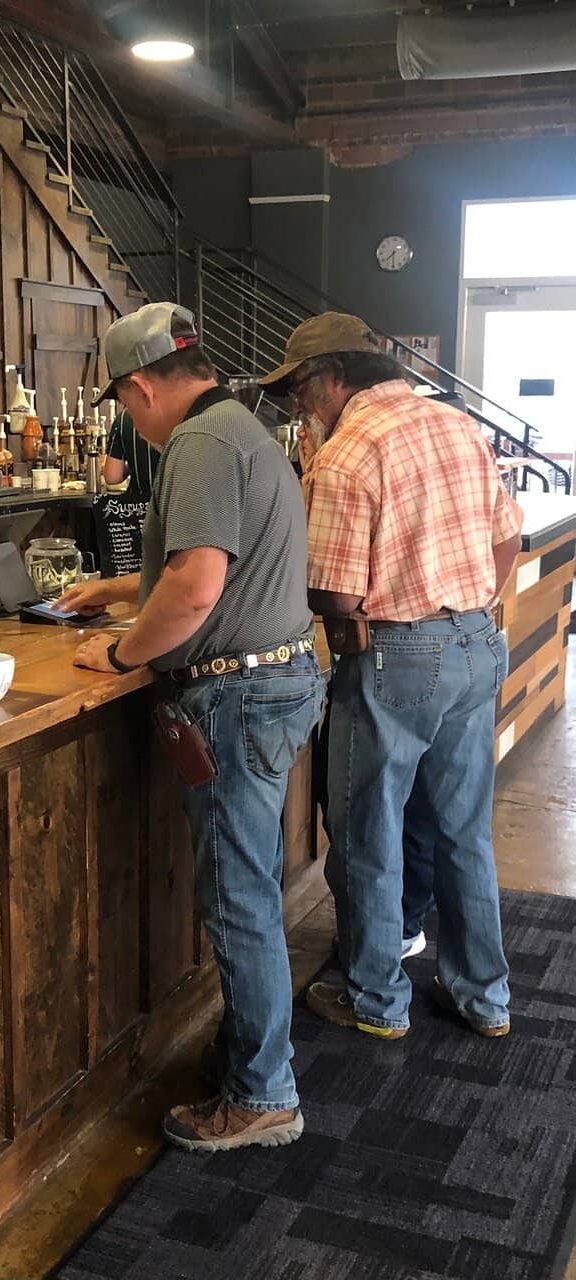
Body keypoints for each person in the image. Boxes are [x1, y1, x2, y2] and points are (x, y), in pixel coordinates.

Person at [57, 302, 324, 1152]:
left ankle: (261, 1094)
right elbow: (204, 567)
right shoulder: (243, 427)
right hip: (275, 681)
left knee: (238, 900)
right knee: (247, 889)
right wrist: (121, 590)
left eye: (125, 406)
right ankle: (253, 1058)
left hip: (237, 696)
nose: (131, 423)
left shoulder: (198, 446)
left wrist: (124, 655)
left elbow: (199, 587)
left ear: (139, 386)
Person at [259, 312, 523, 1041]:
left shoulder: (347, 454)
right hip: (475, 639)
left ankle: (376, 1001)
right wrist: (468, 602)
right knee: (463, 830)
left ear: (331, 379)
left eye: (299, 392)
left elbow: (335, 596)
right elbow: (508, 536)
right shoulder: (458, 425)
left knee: (368, 832)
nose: (297, 409)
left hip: (396, 655)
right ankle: (484, 997)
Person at [103, 407, 159, 496]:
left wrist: (134, 465)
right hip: (178, 505)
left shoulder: (123, 419)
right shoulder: (181, 412)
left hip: (138, 505)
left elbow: (112, 476)